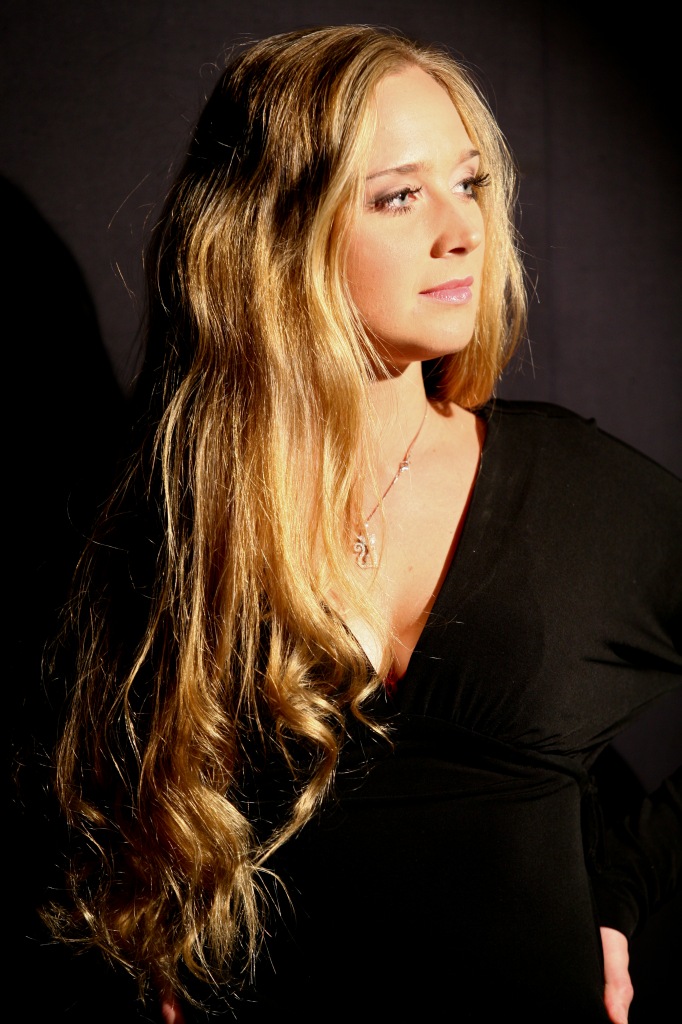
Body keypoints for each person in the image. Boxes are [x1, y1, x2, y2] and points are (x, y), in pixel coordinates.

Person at [42, 25, 681, 1023]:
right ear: (276, 231)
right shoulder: (174, 511)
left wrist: (624, 885)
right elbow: (106, 804)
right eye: (397, 196)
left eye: (468, 183)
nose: (463, 229)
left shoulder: (579, 490)